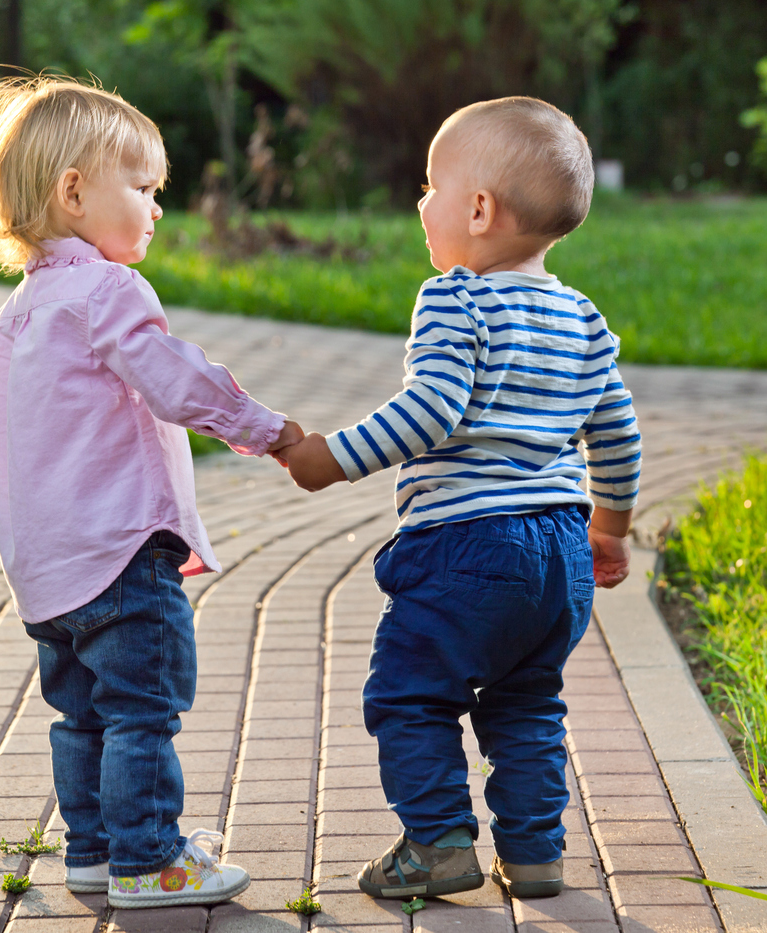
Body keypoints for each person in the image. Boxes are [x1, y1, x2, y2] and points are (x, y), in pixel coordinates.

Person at [275, 97, 641, 900]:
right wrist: (607, 531)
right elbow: (616, 432)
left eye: (430, 187)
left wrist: (328, 459)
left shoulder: (455, 296)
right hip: (558, 553)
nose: (420, 203)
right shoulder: (581, 317)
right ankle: (535, 851)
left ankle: (438, 839)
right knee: (527, 700)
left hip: (467, 547)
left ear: (477, 209)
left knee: (408, 691)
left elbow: (430, 410)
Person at [0, 76, 301, 909]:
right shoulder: (107, 293)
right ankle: (150, 857)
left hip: (48, 574)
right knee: (142, 713)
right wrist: (264, 428)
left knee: (80, 717)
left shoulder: (10, 320)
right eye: (145, 189)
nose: (157, 208)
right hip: (122, 557)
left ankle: (94, 850)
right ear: (74, 192)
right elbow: (175, 381)